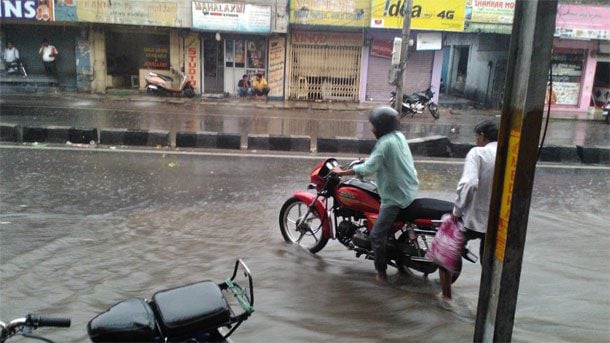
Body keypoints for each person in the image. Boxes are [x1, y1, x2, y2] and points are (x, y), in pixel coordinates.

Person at [332, 106, 419, 284]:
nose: (371, 129)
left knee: (377, 235)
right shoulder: (398, 137)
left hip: (395, 196)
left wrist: (341, 173)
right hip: (408, 188)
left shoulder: (384, 144)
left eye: (373, 126)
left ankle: (381, 273)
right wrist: (367, 161)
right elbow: (378, 160)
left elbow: (367, 169)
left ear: (381, 127)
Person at [439, 119, 498, 300]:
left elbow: (469, 184)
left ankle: (446, 299)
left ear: (482, 136)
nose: (475, 140)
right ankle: (487, 300)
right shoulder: (510, 154)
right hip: (497, 222)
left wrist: (456, 212)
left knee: (444, 255)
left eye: (476, 136)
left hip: (472, 218)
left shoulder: (478, 153)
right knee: (489, 265)